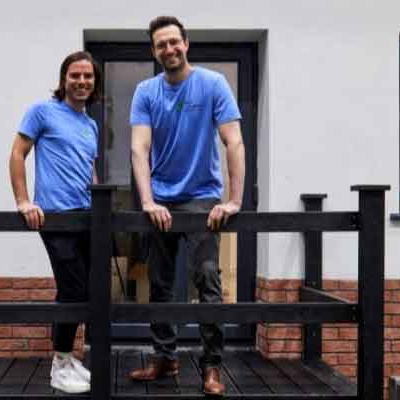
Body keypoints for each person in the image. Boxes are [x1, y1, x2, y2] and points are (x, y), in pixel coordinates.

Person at [125, 16, 245, 396]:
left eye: (174, 42)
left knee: (207, 279)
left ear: (186, 44)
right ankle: (165, 358)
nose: (169, 49)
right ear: (154, 51)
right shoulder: (146, 91)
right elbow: (138, 148)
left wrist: (234, 200)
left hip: (201, 197)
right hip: (160, 199)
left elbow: (234, 142)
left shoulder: (212, 84)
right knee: (159, 284)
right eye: (161, 44)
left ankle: (211, 366)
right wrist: (147, 201)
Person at [8, 50, 101, 394]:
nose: (81, 81)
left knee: (86, 290)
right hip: (56, 217)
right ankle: (59, 363)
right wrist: (23, 201)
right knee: (73, 290)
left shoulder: (90, 124)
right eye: (75, 75)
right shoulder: (42, 112)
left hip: (87, 218)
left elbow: (89, 169)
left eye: (88, 77)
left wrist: (98, 203)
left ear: (95, 83)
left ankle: (68, 359)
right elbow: (18, 153)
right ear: (64, 80)